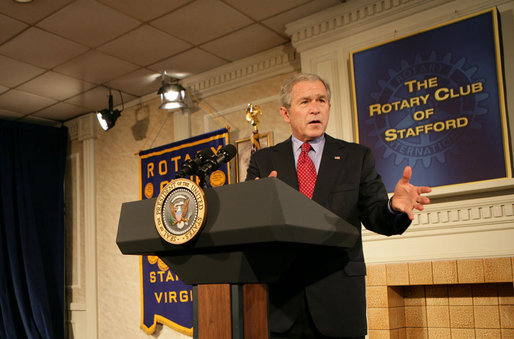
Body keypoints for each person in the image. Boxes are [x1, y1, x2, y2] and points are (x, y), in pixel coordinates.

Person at [245, 72, 431, 338]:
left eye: (322, 100)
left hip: (339, 303)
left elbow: (377, 216)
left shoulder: (356, 157)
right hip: (282, 306)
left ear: (329, 107)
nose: (315, 108)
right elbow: (251, 227)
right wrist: (257, 207)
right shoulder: (264, 161)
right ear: (286, 114)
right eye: (305, 101)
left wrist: (393, 206)